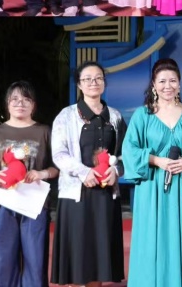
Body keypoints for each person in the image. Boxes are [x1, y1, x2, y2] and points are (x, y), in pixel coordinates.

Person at [122, 58, 182, 287]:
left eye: (173, 81)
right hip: (151, 188)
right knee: (150, 242)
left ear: (180, 84)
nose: (168, 86)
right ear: (154, 85)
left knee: (181, 238)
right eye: (162, 81)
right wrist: (157, 160)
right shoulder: (142, 115)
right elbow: (129, 150)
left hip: (181, 189)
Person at [0, 80, 58, 287]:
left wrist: (41, 173)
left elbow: (57, 166)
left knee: (36, 261)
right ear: (7, 104)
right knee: (4, 262)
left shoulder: (44, 132)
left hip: (34, 205)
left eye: (26, 99)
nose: (20, 103)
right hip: (1, 205)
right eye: (15, 99)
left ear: (33, 105)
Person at [50, 62, 126, 286]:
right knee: (78, 257)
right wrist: (84, 173)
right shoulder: (66, 115)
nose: (94, 82)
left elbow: (125, 154)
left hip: (105, 196)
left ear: (104, 82)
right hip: (77, 196)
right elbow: (59, 154)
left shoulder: (115, 116)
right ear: (79, 84)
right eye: (87, 79)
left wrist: (116, 171)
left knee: (99, 260)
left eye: (98, 78)